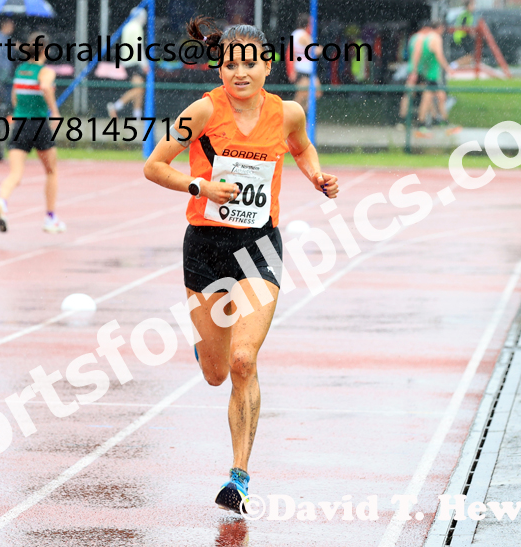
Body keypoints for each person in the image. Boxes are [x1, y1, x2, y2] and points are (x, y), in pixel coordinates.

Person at [143, 16, 339, 513]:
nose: (241, 73)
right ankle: (205, 346)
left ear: (268, 66)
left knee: (243, 361)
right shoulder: (203, 111)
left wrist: (317, 176)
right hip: (205, 247)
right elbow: (154, 166)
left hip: (259, 246)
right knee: (215, 373)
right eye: (231, 65)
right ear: (220, 69)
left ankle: (239, 478)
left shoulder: (288, 113)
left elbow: (302, 148)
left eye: (250, 64)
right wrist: (201, 186)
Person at [0, 32, 66, 234]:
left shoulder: (20, 70)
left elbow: (14, 99)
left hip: (20, 125)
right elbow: (46, 88)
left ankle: (2, 201)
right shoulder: (45, 72)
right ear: (45, 50)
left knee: (15, 174)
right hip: (39, 125)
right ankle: (50, 218)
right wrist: (55, 112)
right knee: (51, 171)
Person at [406, 20, 457, 137]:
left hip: (426, 72)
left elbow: (418, 54)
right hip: (431, 74)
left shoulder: (423, 38)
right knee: (427, 100)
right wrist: (448, 68)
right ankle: (422, 124)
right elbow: (439, 55)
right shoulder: (435, 38)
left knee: (440, 97)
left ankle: (441, 121)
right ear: (440, 28)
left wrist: (417, 69)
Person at [106, 8, 149, 121]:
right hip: (133, 62)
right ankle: (115, 106)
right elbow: (137, 46)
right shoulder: (136, 28)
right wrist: (144, 63)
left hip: (128, 62)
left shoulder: (127, 26)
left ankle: (137, 116)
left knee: (138, 89)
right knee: (139, 89)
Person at [290, 13, 322, 111]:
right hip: (303, 70)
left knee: (316, 93)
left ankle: (301, 115)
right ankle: (290, 116)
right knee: (300, 98)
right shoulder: (302, 35)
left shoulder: (296, 34)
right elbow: (316, 50)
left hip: (305, 70)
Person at [0, 18, 16, 111]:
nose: (13, 28)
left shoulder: (7, 38)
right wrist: (0, 72)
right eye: (11, 26)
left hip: (6, 71)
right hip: (2, 72)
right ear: (4, 26)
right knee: (3, 94)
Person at [451, 0, 475, 67]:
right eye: (472, 5)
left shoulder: (465, 13)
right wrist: (472, 33)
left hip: (461, 35)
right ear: (468, 6)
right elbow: (464, 26)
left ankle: (460, 65)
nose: (474, 7)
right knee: (471, 55)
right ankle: (453, 65)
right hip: (462, 36)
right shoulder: (466, 14)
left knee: (470, 55)